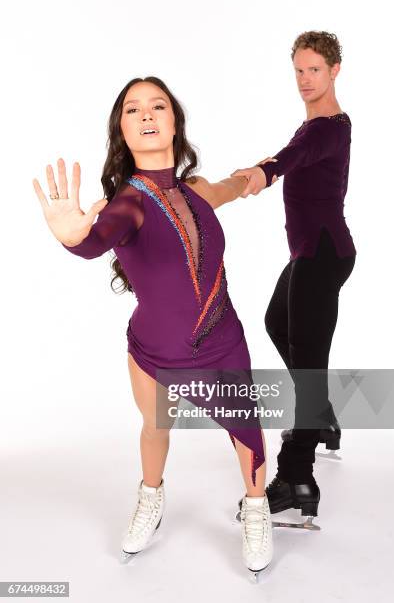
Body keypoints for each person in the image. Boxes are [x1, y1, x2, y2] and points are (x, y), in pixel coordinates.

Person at [32, 76, 272, 576]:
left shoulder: (199, 190)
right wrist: (72, 238)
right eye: (132, 109)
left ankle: (255, 508)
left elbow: (234, 185)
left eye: (157, 105)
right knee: (155, 427)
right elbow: (98, 239)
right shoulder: (128, 203)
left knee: (246, 429)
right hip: (154, 349)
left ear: (174, 123)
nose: (145, 114)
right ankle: (150, 498)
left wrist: (265, 172)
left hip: (223, 340)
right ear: (121, 131)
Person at [232, 31, 357, 519]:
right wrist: (263, 166)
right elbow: (295, 152)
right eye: (299, 71)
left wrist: (266, 172)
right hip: (314, 252)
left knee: (309, 369)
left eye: (315, 71)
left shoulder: (327, 127)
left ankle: (297, 477)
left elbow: (294, 157)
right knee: (275, 323)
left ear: (335, 71)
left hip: (320, 257)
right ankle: (320, 415)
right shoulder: (320, 125)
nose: (305, 80)